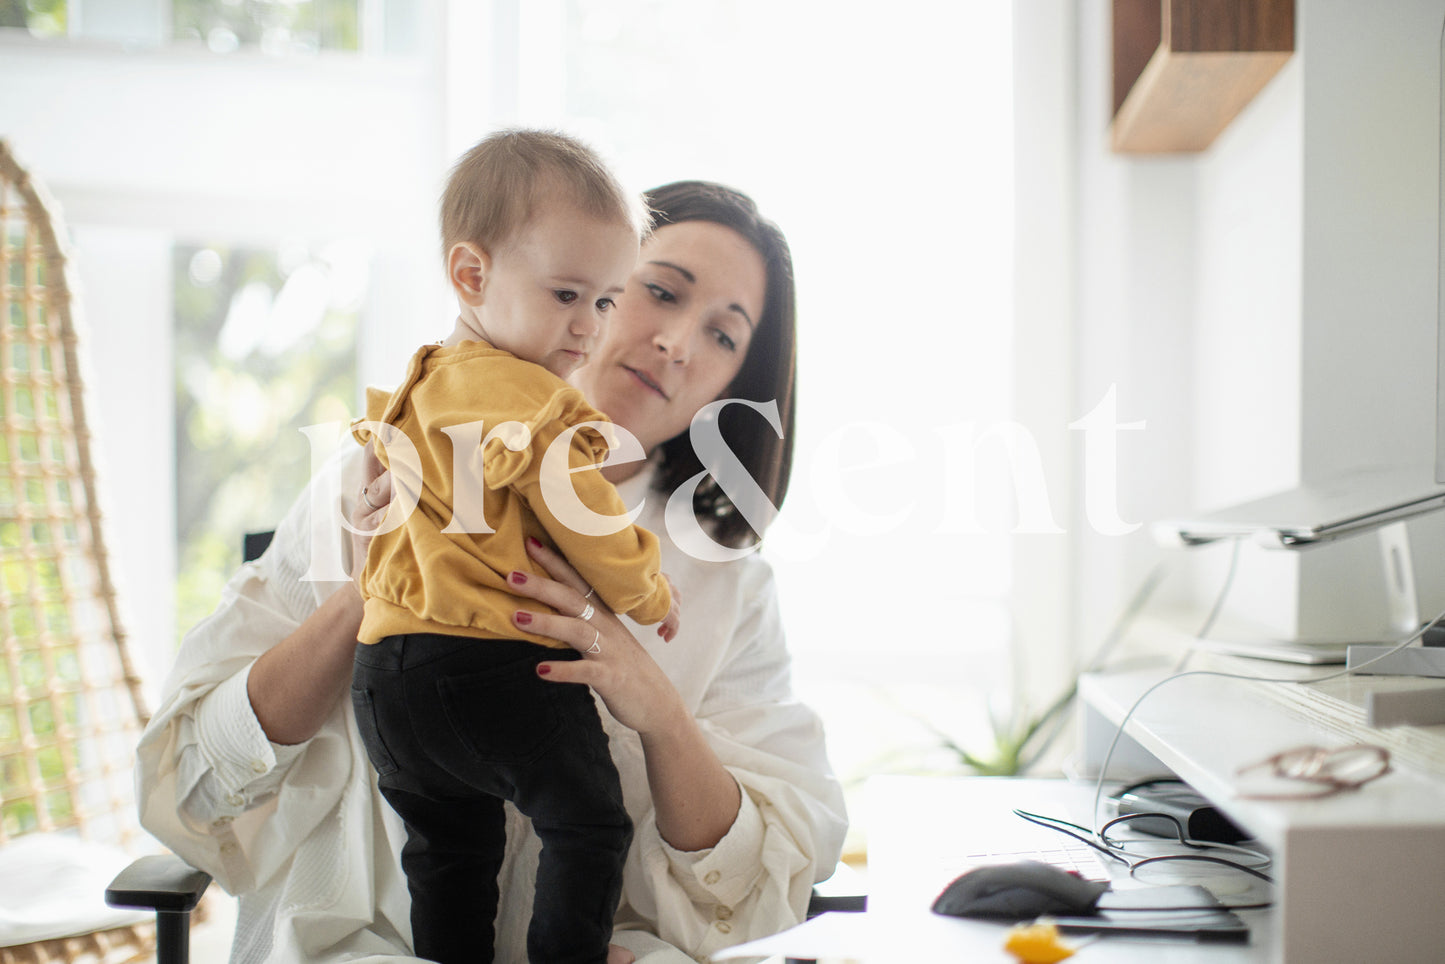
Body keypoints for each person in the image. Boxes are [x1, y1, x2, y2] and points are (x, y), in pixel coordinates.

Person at [135, 174, 848, 964]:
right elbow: (189, 787)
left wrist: (661, 715)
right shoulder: (374, 475)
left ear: (733, 385)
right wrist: (368, 595)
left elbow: (763, 884)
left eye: (723, 336)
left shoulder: (725, 586)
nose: (678, 344)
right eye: (659, 292)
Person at [349, 130, 683, 964]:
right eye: (568, 294)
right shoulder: (531, 401)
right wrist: (648, 594)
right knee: (589, 823)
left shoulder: (425, 381)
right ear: (471, 275)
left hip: (383, 679)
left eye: (606, 301)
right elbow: (588, 519)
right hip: (485, 668)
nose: (590, 327)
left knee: (450, 853)